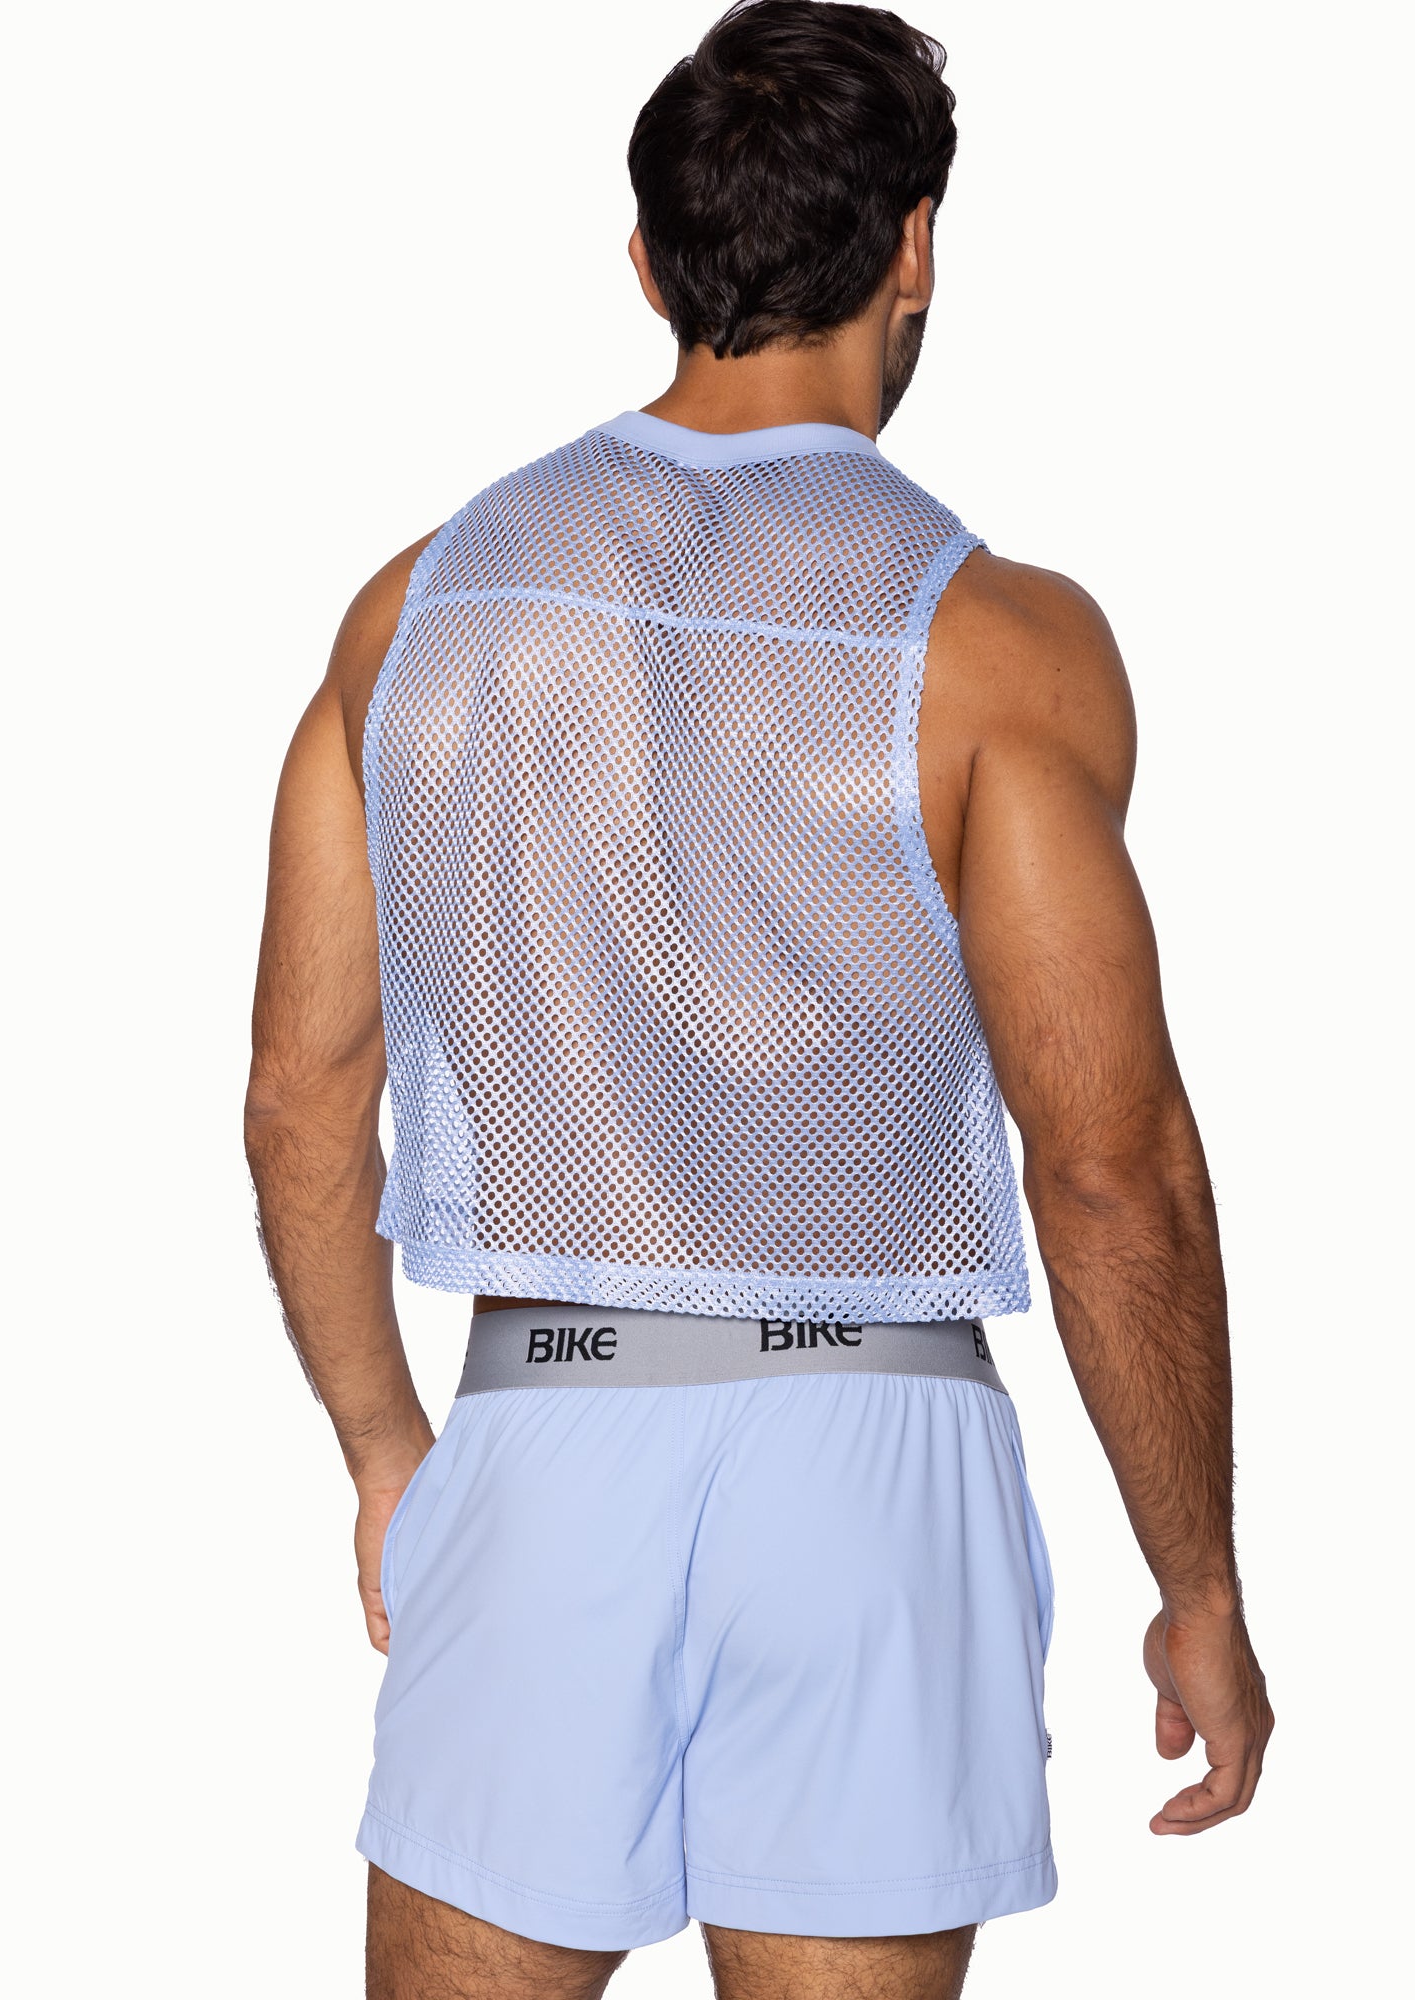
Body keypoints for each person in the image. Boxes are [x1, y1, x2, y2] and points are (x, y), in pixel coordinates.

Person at [244, 4, 1273, 1994]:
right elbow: (1107, 1165)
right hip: (872, 1453)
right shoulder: (1000, 646)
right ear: (916, 248)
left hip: (542, 1429)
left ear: (648, 264)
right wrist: (1199, 1583)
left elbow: (303, 1103)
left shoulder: (413, 614)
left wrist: (384, 1448)